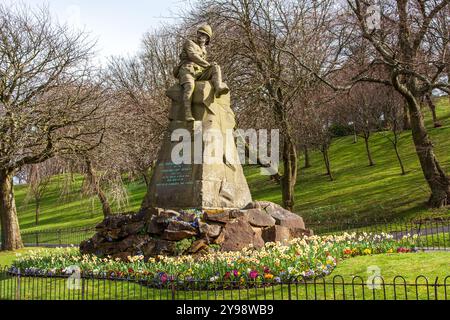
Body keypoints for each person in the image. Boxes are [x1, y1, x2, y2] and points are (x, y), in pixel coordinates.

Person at [174, 24, 229, 121]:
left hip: (199, 72)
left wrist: (210, 66)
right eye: (199, 33)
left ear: (207, 39)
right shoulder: (189, 43)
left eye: (204, 35)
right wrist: (208, 65)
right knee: (190, 87)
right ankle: (187, 113)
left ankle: (218, 88)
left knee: (216, 67)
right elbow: (193, 56)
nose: (200, 36)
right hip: (187, 69)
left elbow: (203, 63)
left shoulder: (204, 49)